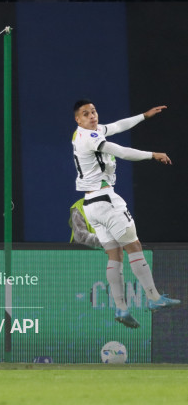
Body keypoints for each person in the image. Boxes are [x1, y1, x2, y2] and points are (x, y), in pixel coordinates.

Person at [72, 100, 179, 328]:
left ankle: (121, 309)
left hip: (91, 205)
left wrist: (144, 115)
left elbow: (118, 126)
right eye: (85, 114)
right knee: (134, 247)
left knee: (115, 255)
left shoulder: (88, 132)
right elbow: (120, 151)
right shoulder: (89, 139)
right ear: (77, 120)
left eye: (93, 111)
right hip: (106, 200)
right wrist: (153, 154)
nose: (92, 116)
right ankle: (153, 298)